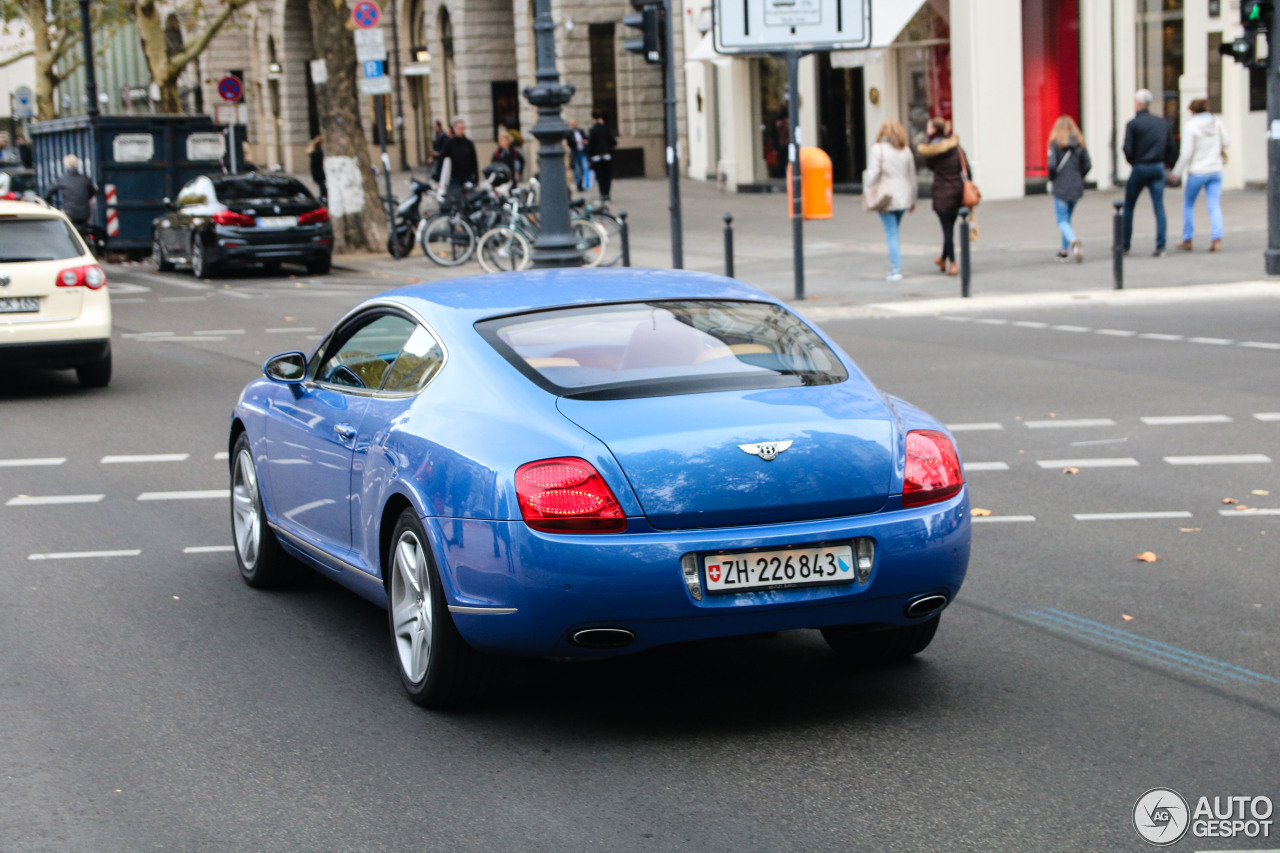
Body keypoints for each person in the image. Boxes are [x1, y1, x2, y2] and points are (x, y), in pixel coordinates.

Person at [1122, 89, 1177, 256]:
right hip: (1157, 167)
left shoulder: (1133, 124)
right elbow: (1171, 149)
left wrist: (1134, 162)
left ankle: (1125, 244)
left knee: (1129, 206)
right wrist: (1168, 165)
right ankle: (1161, 246)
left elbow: (1127, 149)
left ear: (1138, 104)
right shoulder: (1162, 123)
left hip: (1140, 166)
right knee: (1159, 207)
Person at [1170, 98, 1229, 253]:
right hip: (1215, 170)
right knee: (1214, 205)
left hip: (1197, 171)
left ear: (1192, 111)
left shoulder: (1191, 126)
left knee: (1189, 204)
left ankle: (1188, 239)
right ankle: (1216, 239)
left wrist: (1176, 172)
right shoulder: (1216, 122)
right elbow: (1227, 141)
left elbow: (1186, 153)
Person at [865, 119, 917, 281]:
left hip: (886, 196)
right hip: (904, 195)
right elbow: (912, 176)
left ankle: (896, 268)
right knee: (893, 230)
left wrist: (867, 188)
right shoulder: (906, 150)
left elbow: (872, 174)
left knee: (891, 232)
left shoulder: (877, 149)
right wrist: (913, 198)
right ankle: (895, 266)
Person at [917, 117, 965, 277]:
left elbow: (929, 165)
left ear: (935, 129)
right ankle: (943, 259)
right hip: (957, 192)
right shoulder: (956, 147)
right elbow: (967, 169)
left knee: (947, 231)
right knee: (949, 228)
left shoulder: (932, 148)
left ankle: (953, 264)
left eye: (929, 127)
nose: (927, 129)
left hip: (942, 193)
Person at [1046, 115, 1092, 263]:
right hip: (1076, 186)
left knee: (1062, 220)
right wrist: (1079, 176)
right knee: (1067, 219)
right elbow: (1087, 165)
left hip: (1061, 186)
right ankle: (1064, 251)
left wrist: (1052, 179)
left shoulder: (1055, 144)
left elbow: (1052, 165)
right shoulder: (1079, 144)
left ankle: (1073, 241)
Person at [47, 154, 98, 229]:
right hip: (84, 213)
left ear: (66, 165)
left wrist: (48, 202)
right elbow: (92, 192)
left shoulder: (63, 179)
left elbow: (49, 192)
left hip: (69, 213)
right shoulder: (84, 179)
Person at [438, 119, 478, 196]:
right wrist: (439, 178)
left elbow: (474, 162)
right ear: (454, 129)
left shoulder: (469, 143)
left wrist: (476, 180)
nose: (461, 130)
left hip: (467, 177)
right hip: (454, 178)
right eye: (459, 128)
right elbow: (441, 159)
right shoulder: (449, 143)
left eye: (462, 128)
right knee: (455, 199)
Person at [586, 111, 617, 201]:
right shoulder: (605, 128)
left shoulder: (593, 130)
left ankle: (603, 193)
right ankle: (607, 193)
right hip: (606, 155)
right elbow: (613, 142)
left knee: (600, 176)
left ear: (592, 118)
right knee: (607, 176)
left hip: (596, 157)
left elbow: (590, 145)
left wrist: (589, 156)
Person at [567, 118, 589, 191]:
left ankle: (584, 183)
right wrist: (578, 142)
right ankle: (578, 184)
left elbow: (586, 139)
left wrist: (583, 142)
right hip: (575, 153)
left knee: (585, 168)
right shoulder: (569, 132)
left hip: (582, 152)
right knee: (576, 170)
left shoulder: (580, 130)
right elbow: (570, 142)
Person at [307, 135, 326, 203]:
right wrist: (314, 178)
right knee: (322, 188)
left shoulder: (318, 150)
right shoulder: (315, 153)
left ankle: (323, 198)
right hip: (318, 173)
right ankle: (322, 199)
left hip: (321, 172)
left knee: (323, 187)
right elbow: (313, 166)